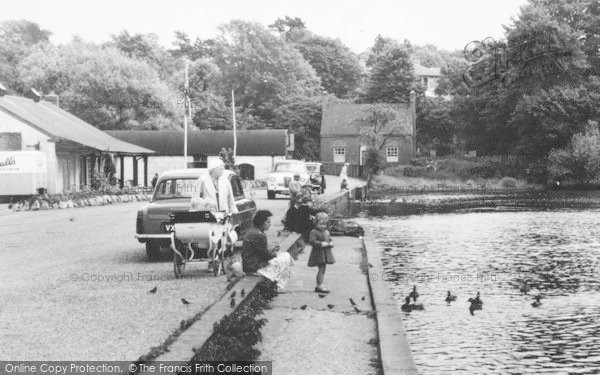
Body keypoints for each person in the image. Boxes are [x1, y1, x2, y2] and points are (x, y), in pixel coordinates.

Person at [242, 210, 294, 288]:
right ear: (261, 222)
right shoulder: (259, 235)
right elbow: (266, 256)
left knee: (283, 256)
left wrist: (272, 250)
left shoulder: (253, 231)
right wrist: (275, 254)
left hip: (249, 264)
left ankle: (273, 283)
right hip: (254, 266)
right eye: (268, 222)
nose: (270, 224)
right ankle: (274, 284)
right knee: (285, 257)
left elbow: (261, 251)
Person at [308, 212, 335, 293]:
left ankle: (319, 285)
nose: (323, 226)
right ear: (316, 223)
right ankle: (320, 285)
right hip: (318, 253)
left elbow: (329, 239)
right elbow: (312, 241)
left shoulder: (326, 231)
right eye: (321, 224)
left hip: (325, 252)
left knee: (323, 269)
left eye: (325, 224)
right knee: (321, 269)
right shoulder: (314, 231)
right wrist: (321, 244)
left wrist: (331, 243)